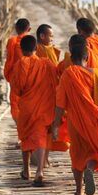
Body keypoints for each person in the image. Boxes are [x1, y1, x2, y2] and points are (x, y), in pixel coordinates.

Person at [51, 35, 98, 195]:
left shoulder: (68, 74)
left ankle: (78, 191)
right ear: (87, 57)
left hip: (75, 121)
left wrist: (55, 125)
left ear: (71, 56)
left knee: (77, 153)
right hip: (96, 120)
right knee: (94, 151)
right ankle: (90, 168)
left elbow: (60, 103)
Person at [11, 35, 61, 186]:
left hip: (27, 106)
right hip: (45, 105)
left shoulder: (21, 64)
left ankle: (26, 169)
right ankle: (39, 169)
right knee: (41, 136)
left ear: (22, 49)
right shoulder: (47, 64)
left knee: (25, 135)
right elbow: (56, 83)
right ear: (36, 49)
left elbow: (17, 88)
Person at [4, 18, 31, 122]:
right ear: (29, 29)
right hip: (29, 80)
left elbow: (9, 61)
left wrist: (9, 74)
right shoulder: (31, 42)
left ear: (15, 28)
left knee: (16, 107)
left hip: (15, 79)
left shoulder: (12, 42)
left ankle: (20, 127)